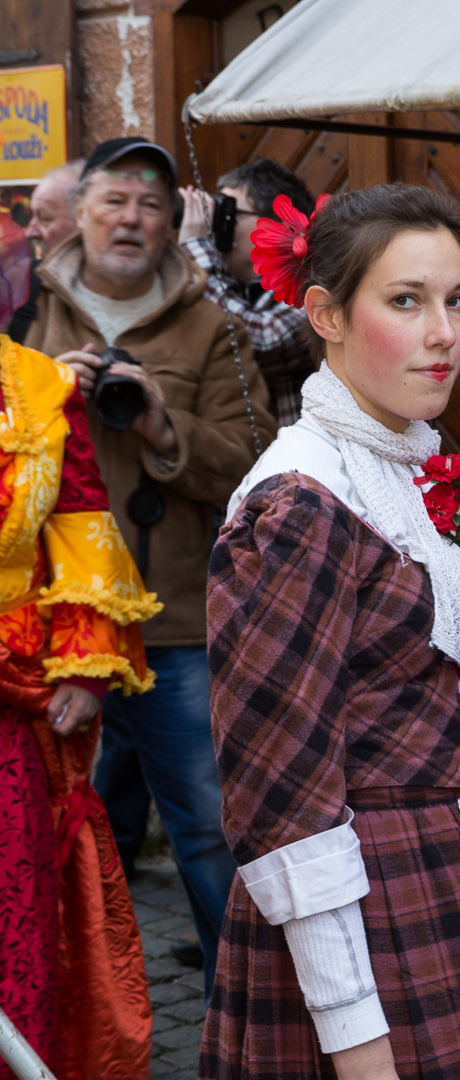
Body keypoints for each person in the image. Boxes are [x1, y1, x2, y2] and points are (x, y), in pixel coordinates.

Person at [202, 182, 460, 1080]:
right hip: (370, 921)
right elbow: (278, 789)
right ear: (325, 315)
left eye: (457, 302)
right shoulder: (300, 502)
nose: (444, 333)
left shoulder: (414, 467)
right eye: (406, 302)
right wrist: (351, 1030)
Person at [24, 136, 272, 998]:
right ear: (78, 209)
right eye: (114, 200)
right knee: (49, 836)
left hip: (174, 624)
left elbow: (255, 462)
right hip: (51, 636)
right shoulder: (23, 311)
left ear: (173, 224)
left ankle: (242, 1015)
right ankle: (63, 1014)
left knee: (207, 832)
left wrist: (166, 429)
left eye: (151, 205)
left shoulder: (212, 324)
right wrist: (34, 407)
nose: (130, 218)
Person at [0, 241, 160, 1077]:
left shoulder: (38, 389)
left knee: (12, 917)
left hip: (9, 707)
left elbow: (83, 528)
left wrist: (87, 664)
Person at [178, 157, 320, 427]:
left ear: (273, 226)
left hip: (295, 464)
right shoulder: (225, 290)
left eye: (229, 211)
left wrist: (195, 245)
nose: (217, 223)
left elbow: (259, 342)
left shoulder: (313, 285)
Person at [7, 159, 83, 342]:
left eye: (45, 219)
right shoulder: (17, 290)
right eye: (31, 217)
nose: (30, 232)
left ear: (85, 218)